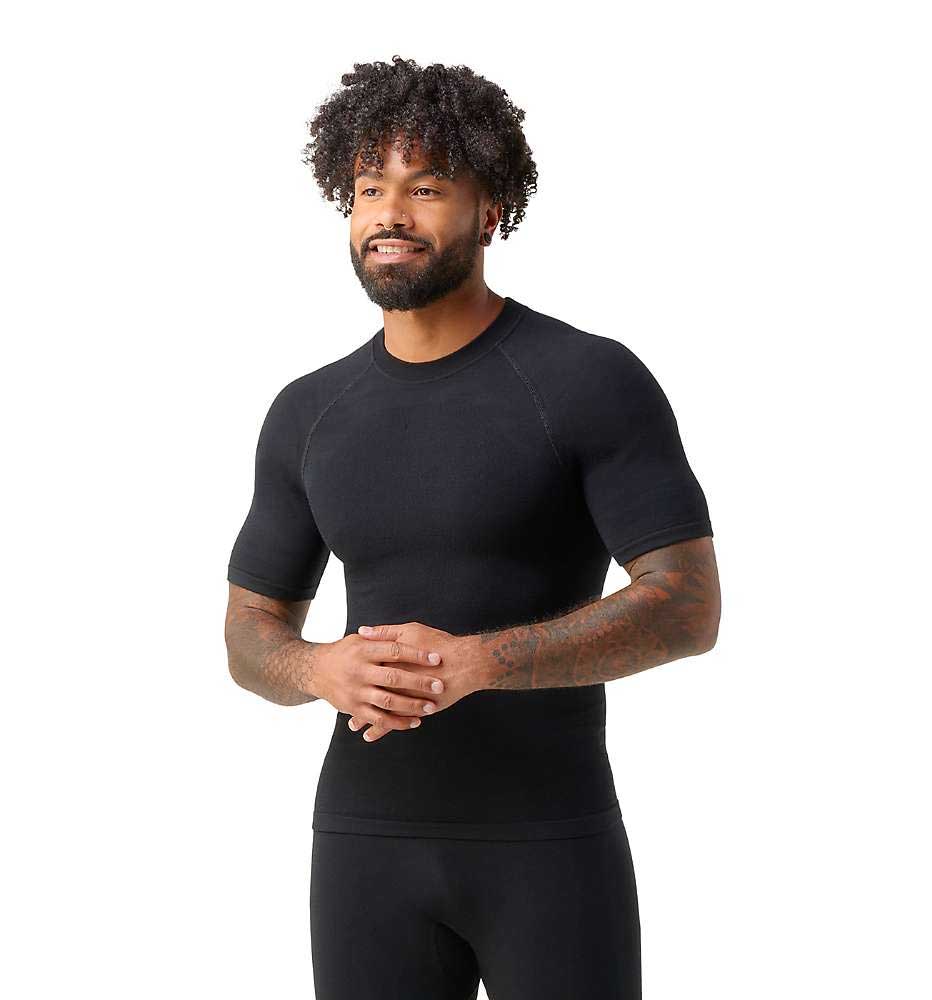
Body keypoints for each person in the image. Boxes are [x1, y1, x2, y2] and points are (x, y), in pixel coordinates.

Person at [225, 54, 722, 1000]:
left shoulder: (588, 379)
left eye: (425, 188)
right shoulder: (308, 412)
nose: (390, 214)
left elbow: (688, 607)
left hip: (549, 843)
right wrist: (317, 668)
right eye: (369, 189)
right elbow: (248, 635)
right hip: (364, 846)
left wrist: (481, 662)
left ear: (490, 209)